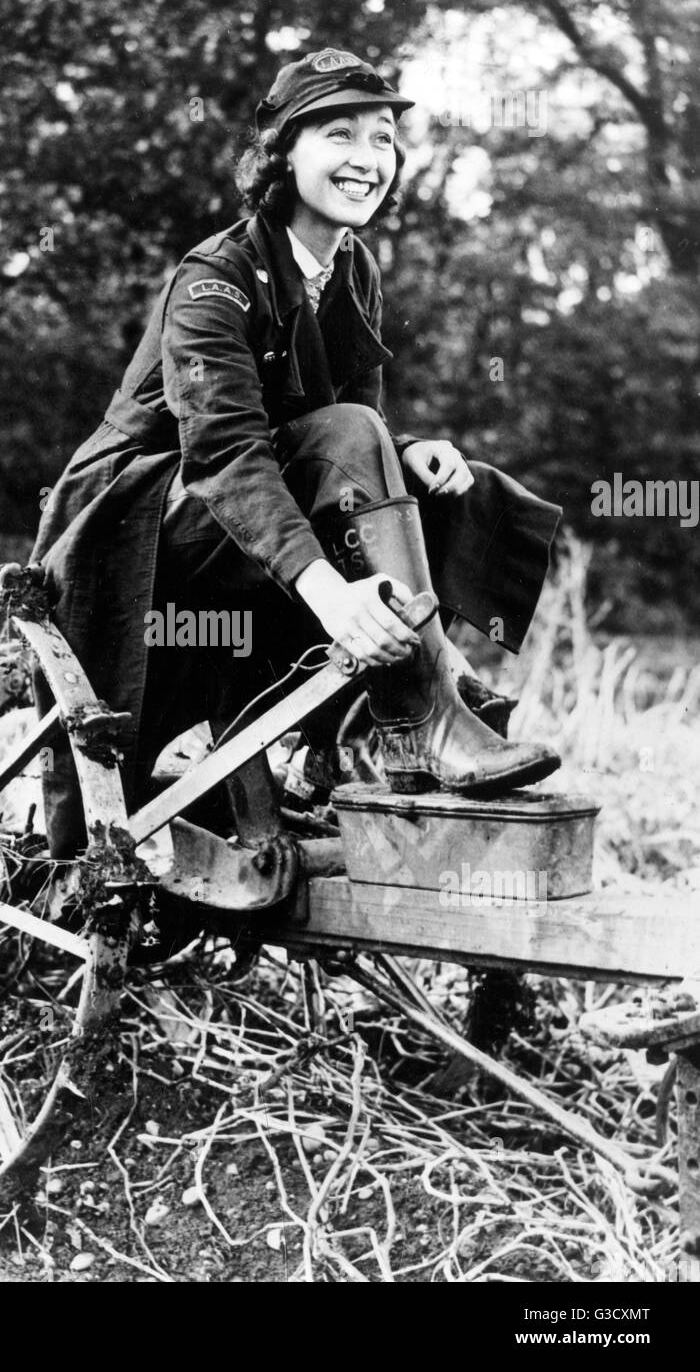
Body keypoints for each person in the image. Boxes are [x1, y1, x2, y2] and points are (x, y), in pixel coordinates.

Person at [31, 48, 561, 854]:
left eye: (383, 139)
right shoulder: (214, 278)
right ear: (283, 154)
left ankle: (365, 721)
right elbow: (227, 455)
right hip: (137, 525)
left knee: (458, 484)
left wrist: (409, 448)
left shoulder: (351, 268)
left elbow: (339, 426)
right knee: (354, 434)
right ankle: (418, 710)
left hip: (246, 513)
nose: (367, 160)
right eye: (339, 134)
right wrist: (330, 596)